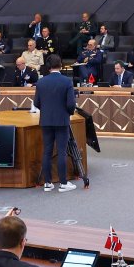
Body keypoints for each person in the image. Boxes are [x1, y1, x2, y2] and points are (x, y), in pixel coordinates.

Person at [35, 55, 76, 192]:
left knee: (47, 151)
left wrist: (47, 111)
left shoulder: (41, 82)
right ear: (61, 65)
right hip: (61, 120)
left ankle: (47, 183)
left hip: (46, 120)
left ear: (48, 66)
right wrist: (68, 113)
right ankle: (63, 183)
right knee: (62, 151)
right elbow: (71, 104)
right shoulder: (66, 81)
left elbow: (36, 103)